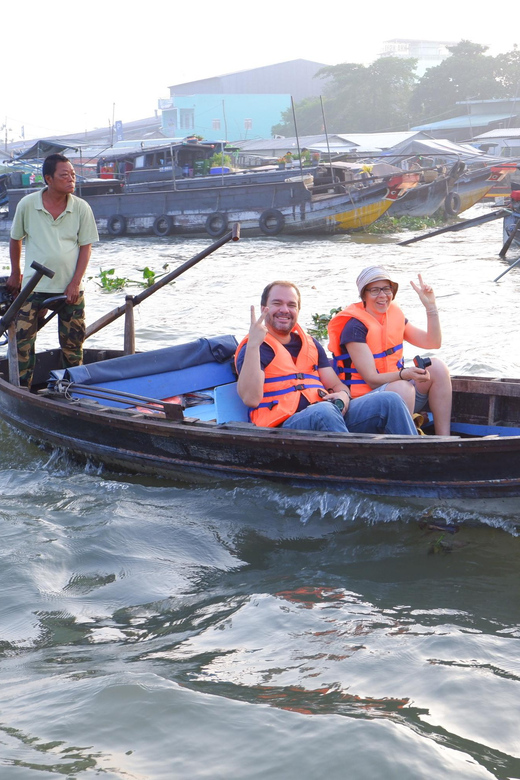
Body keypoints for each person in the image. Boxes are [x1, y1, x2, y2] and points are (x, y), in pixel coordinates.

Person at [235, 280, 418, 436]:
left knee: (390, 400)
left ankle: (415, 459)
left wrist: (344, 396)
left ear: (298, 310)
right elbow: (251, 399)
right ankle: (356, 468)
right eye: (277, 303)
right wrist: (253, 345)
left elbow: (337, 385)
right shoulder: (255, 347)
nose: (285, 310)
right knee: (324, 410)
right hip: (284, 428)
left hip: (329, 415)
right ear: (263, 308)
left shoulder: (311, 344)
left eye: (291, 305)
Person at [7, 153, 99, 389]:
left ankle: (74, 391)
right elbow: (15, 239)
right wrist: (16, 273)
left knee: (73, 344)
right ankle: (23, 391)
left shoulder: (81, 208)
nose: (71, 179)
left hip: (70, 287)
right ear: (48, 178)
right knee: (23, 344)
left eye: (73, 175)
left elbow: (85, 248)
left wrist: (75, 283)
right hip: (33, 287)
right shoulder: (28, 204)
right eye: (64, 175)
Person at [327, 266, 452, 435]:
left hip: (401, 394)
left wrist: (431, 307)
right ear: (363, 294)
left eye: (387, 289)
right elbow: (372, 380)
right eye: (374, 290)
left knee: (437, 367)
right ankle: (409, 443)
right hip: (367, 405)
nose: (383, 296)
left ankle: (444, 440)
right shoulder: (355, 327)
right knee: (403, 387)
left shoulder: (394, 314)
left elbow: (433, 342)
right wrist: (405, 374)